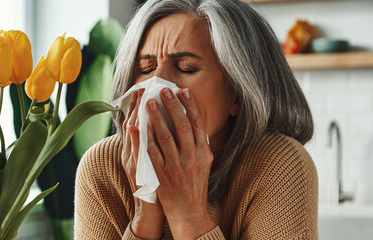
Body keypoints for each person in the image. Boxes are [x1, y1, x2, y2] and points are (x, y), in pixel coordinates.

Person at [74, 0, 318, 239]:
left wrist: (188, 216)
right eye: (147, 68)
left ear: (237, 94)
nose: (157, 85)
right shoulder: (102, 167)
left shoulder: (279, 165)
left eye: (186, 68)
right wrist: (144, 220)